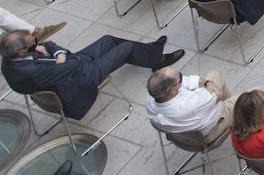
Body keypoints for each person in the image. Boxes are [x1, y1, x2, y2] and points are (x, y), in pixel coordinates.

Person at [0, 29, 182, 119]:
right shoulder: (34, 72)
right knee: (126, 48)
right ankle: (156, 59)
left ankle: (148, 54)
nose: (37, 43)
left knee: (108, 40)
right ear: (22, 52)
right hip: (80, 82)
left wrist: (57, 55)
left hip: (71, 69)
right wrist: (60, 57)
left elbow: (50, 45)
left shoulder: (10, 60)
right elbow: (71, 64)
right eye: (32, 44)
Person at [146, 65, 256, 138]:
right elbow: (217, 94)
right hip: (212, 129)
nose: (182, 77)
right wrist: (207, 84)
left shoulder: (152, 97)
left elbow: (188, 81)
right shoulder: (192, 104)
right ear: (173, 90)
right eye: (179, 76)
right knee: (254, 95)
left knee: (215, 74)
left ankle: (237, 112)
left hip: (185, 133)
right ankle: (262, 120)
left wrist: (207, 83)